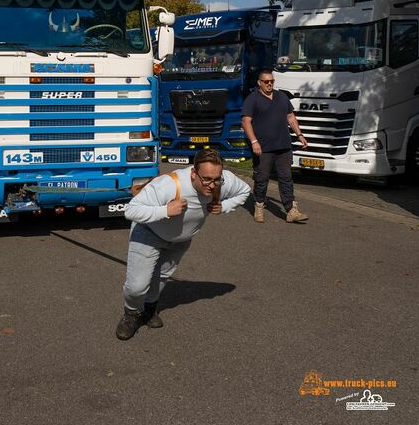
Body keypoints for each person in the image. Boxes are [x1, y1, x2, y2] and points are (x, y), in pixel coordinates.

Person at [115, 148, 251, 341]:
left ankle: (149, 310)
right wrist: (165, 210)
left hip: (179, 241)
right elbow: (131, 210)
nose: (212, 186)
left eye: (216, 179)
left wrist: (225, 206)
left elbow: (245, 190)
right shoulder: (169, 184)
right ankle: (131, 314)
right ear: (193, 173)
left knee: (160, 277)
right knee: (137, 286)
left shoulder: (222, 180)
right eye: (206, 179)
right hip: (148, 233)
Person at [241, 68, 309, 224]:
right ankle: (259, 205)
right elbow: (246, 122)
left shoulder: (281, 97)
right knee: (261, 178)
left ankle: (291, 210)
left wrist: (300, 135)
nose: (269, 84)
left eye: (272, 81)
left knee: (286, 178)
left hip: (283, 146)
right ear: (259, 83)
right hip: (263, 147)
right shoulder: (252, 99)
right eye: (266, 82)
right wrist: (254, 142)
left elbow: (291, 117)